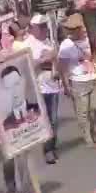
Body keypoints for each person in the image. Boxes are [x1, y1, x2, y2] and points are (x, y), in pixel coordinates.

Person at [57, 14, 96, 149]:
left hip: (94, 78)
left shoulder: (91, 38)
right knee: (83, 112)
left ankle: (93, 129)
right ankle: (87, 136)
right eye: (76, 28)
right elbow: (62, 67)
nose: (82, 30)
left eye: (81, 27)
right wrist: (65, 86)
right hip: (78, 81)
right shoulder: (66, 45)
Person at [25, 16, 61, 164]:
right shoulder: (28, 44)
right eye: (40, 26)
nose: (44, 29)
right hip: (39, 88)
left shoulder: (48, 42)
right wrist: (42, 60)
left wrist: (54, 60)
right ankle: (48, 150)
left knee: (54, 119)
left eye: (45, 26)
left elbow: (56, 60)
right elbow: (26, 65)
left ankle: (52, 146)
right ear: (33, 28)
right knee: (46, 120)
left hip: (53, 85)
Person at [0, 66, 41, 131]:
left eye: (17, 83)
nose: (14, 91)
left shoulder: (39, 108)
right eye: (8, 88)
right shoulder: (7, 124)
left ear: (23, 82)